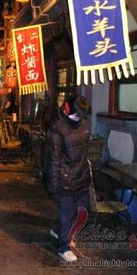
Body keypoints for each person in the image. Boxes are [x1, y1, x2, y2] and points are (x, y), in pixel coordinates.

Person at [43, 95, 90, 262]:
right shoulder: (58, 129)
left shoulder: (83, 124)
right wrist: (54, 185)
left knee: (82, 211)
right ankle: (64, 246)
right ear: (67, 108)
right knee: (66, 213)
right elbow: (53, 160)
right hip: (65, 179)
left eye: (81, 115)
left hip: (81, 176)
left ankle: (59, 231)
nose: (78, 118)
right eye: (76, 114)